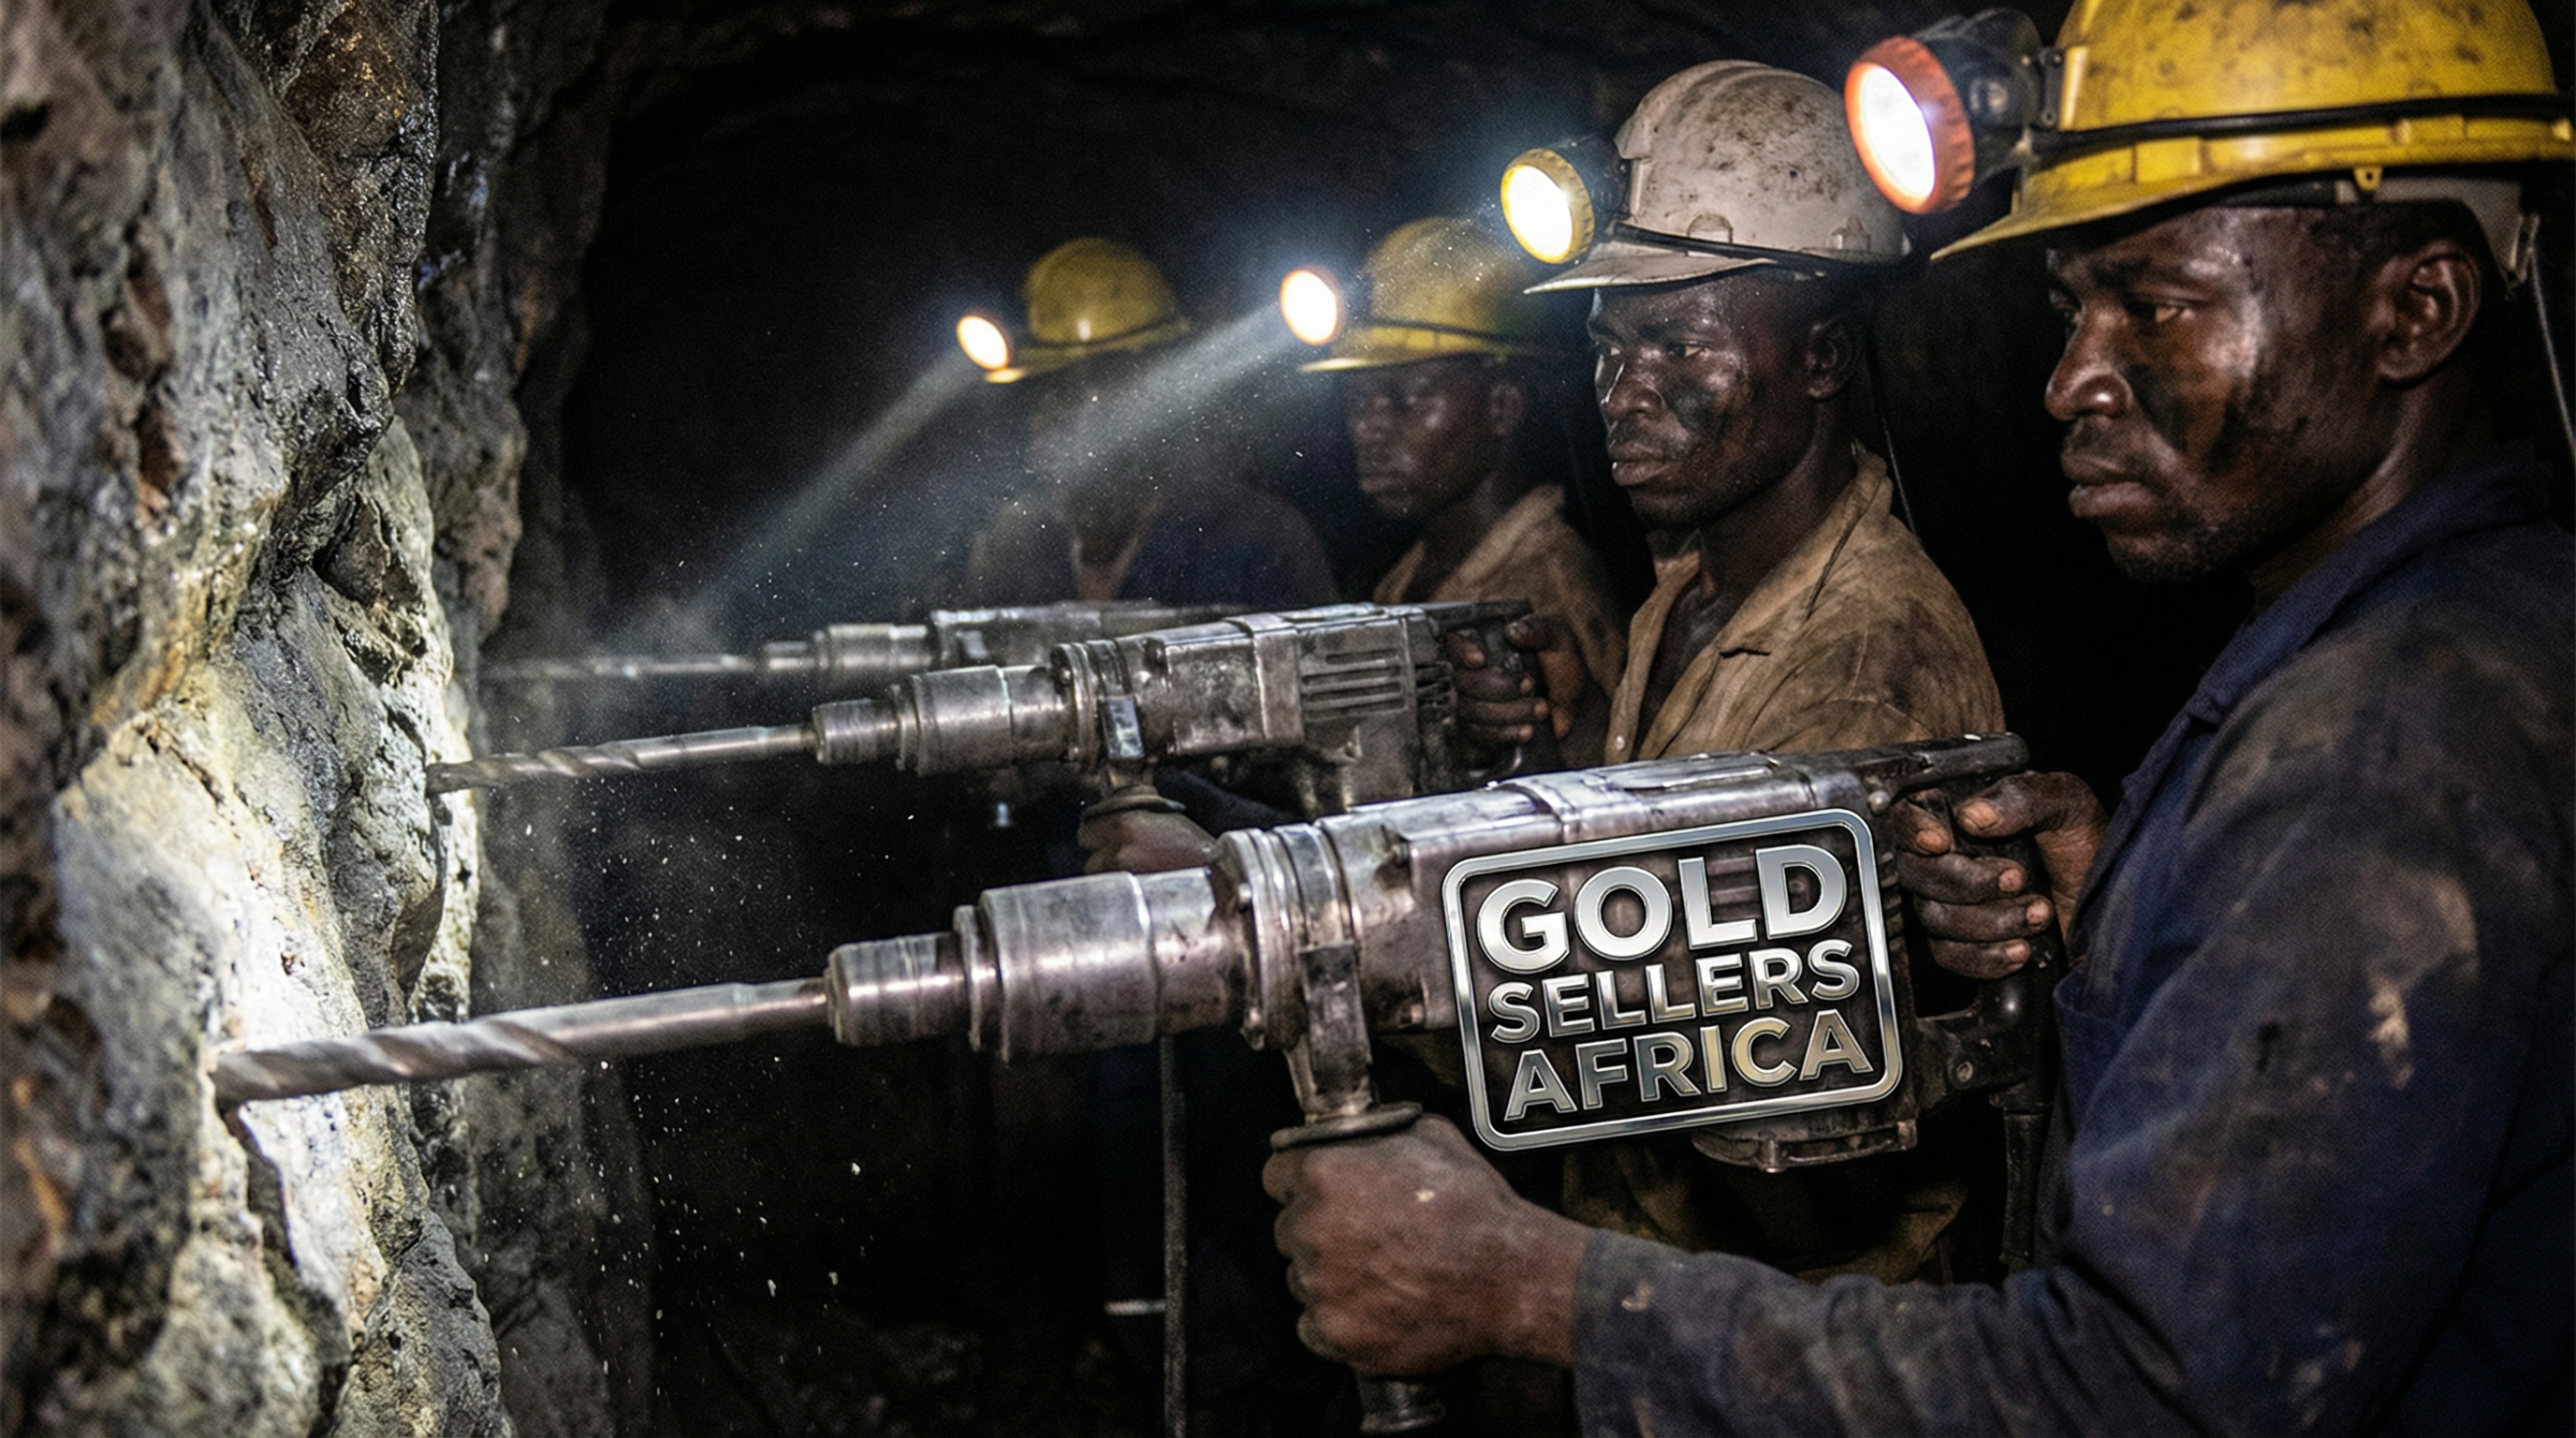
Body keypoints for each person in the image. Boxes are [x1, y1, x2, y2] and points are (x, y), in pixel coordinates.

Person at [1264, 3, 2573, 1432]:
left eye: (2156, 304)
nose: (2071, 376)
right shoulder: (2453, 639)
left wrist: (1529, 1287)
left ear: (2419, 310)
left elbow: (2131, 1393)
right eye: (2074, 307)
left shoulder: (2378, 745)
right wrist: (2124, 897)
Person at [1459, 60, 2010, 1284]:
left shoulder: (1864, 653)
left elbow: (1788, 1143)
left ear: (1820, 357)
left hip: (1799, 1345)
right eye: (1608, 348)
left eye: (1671, 343)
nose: (1624, 393)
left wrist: (1445, 975)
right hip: (1666, 1300)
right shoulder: (1686, 595)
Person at [955, 236, 1338, 610]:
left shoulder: (1254, 539)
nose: (1068, 423)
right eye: (1054, 395)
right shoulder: (1020, 548)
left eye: (1101, 396)